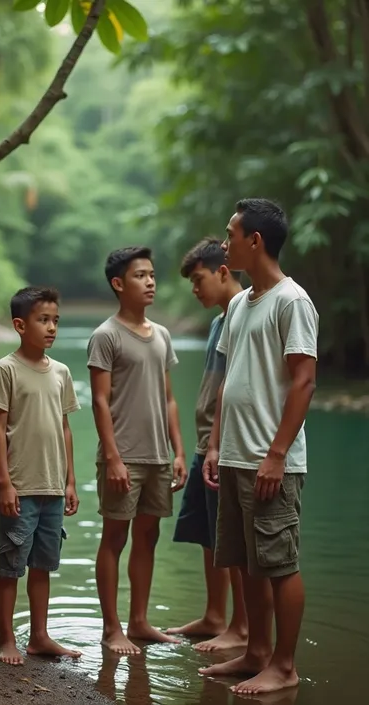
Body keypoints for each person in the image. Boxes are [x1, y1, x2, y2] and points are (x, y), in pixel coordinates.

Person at [200, 199, 318, 694]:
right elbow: (230, 380)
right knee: (246, 559)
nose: (224, 243)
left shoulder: (292, 301)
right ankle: (256, 653)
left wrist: (275, 454)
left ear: (256, 241)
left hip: (273, 460)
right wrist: (214, 445)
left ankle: (285, 668)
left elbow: (304, 381)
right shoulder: (236, 304)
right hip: (233, 455)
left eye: (231, 234)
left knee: (279, 562)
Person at [87, 246, 187, 656]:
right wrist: (112, 457)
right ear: (118, 283)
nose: (150, 282)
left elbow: (168, 400)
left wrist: (179, 452)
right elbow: (98, 400)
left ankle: (139, 622)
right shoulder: (106, 335)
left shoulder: (161, 335)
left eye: (151, 275)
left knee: (148, 537)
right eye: (140, 275)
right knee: (115, 537)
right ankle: (112, 629)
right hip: (123, 456)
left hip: (159, 458)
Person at [0, 286, 82, 666]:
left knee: (43, 565)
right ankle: (6, 639)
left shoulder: (61, 372)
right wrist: (4, 482)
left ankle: (40, 637)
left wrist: (70, 481)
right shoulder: (5, 369)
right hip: (19, 488)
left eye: (56, 320)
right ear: (20, 325)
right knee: (10, 566)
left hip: (53, 487)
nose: (52, 327)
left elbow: (65, 427)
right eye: (44, 320)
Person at [166, 238, 248, 652]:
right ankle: (216, 614)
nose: (195, 290)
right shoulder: (220, 320)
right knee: (209, 534)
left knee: (230, 538)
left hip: (226, 444)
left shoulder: (244, 314)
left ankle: (241, 626)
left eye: (199, 280)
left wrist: (218, 443)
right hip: (205, 444)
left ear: (222, 271)